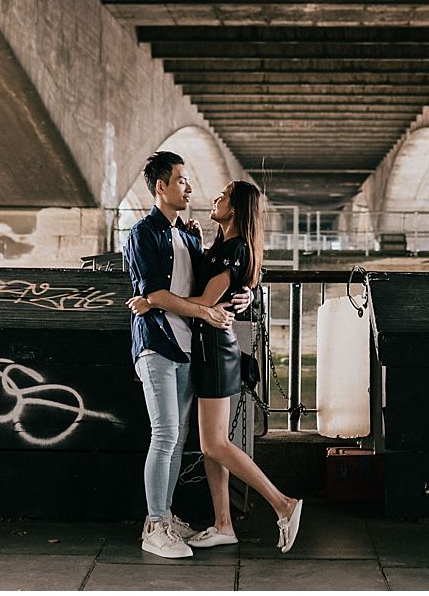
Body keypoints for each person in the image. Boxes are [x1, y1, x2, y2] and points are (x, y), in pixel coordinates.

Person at [130, 179, 304, 554]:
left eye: (223, 196)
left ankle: (282, 504)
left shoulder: (235, 248)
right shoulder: (222, 245)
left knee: (214, 444)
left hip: (214, 350)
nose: (214, 197)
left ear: (236, 208)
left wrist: (155, 301)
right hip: (205, 347)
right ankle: (223, 523)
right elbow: (218, 289)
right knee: (211, 444)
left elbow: (209, 301)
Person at [123, 150, 234, 559]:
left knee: (179, 436)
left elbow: (188, 287)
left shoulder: (189, 234)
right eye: (182, 180)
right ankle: (154, 525)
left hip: (188, 346)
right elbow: (153, 291)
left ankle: (165, 515)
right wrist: (180, 306)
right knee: (165, 433)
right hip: (156, 343)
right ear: (161, 187)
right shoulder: (142, 233)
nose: (189, 187)